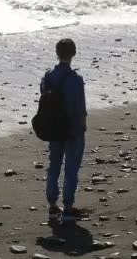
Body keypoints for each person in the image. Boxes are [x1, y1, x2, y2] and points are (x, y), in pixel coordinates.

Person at [40, 38, 87, 223]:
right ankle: (68, 206)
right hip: (73, 128)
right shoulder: (76, 79)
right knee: (71, 167)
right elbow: (80, 108)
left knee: (54, 165)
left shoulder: (48, 76)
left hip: (54, 126)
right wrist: (82, 127)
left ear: (57, 53)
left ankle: (52, 205)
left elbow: (44, 98)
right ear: (73, 54)